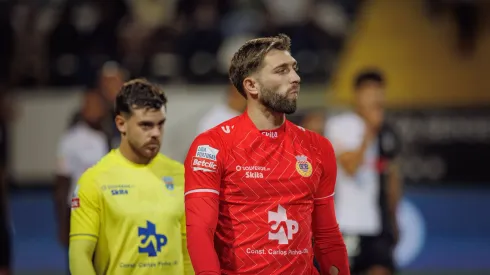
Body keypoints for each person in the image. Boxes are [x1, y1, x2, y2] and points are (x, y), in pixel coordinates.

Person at [184, 34, 349, 275]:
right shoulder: (212, 145)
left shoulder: (318, 147)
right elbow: (199, 231)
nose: (295, 78)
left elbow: (327, 235)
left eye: (294, 68)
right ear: (251, 85)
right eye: (281, 71)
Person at [69, 79, 193, 275]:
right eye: (146, 125)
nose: (155, 133)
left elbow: (189, 250)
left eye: (160, 125)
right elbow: (79, 254)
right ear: (121, 124)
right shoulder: (95, 180)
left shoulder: (181, 176)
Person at [324, 70, 402, 275]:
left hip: (377, 224)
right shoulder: (340, 125)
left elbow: (391, 174)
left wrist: (394, 218)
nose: (375, 97)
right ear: (357, 95)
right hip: (347, 223)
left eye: (379, 92)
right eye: (369, 92)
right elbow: (350, 168)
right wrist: (369, 133)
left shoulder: (387, 131)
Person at [54, 91, 108, 251]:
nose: (96, 111)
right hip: (80, 210)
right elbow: (62, 182)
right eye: (91, 106)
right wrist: (62, 224)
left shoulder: (108, 136)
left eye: (99, 106)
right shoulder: (70, 140)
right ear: (83, 110)